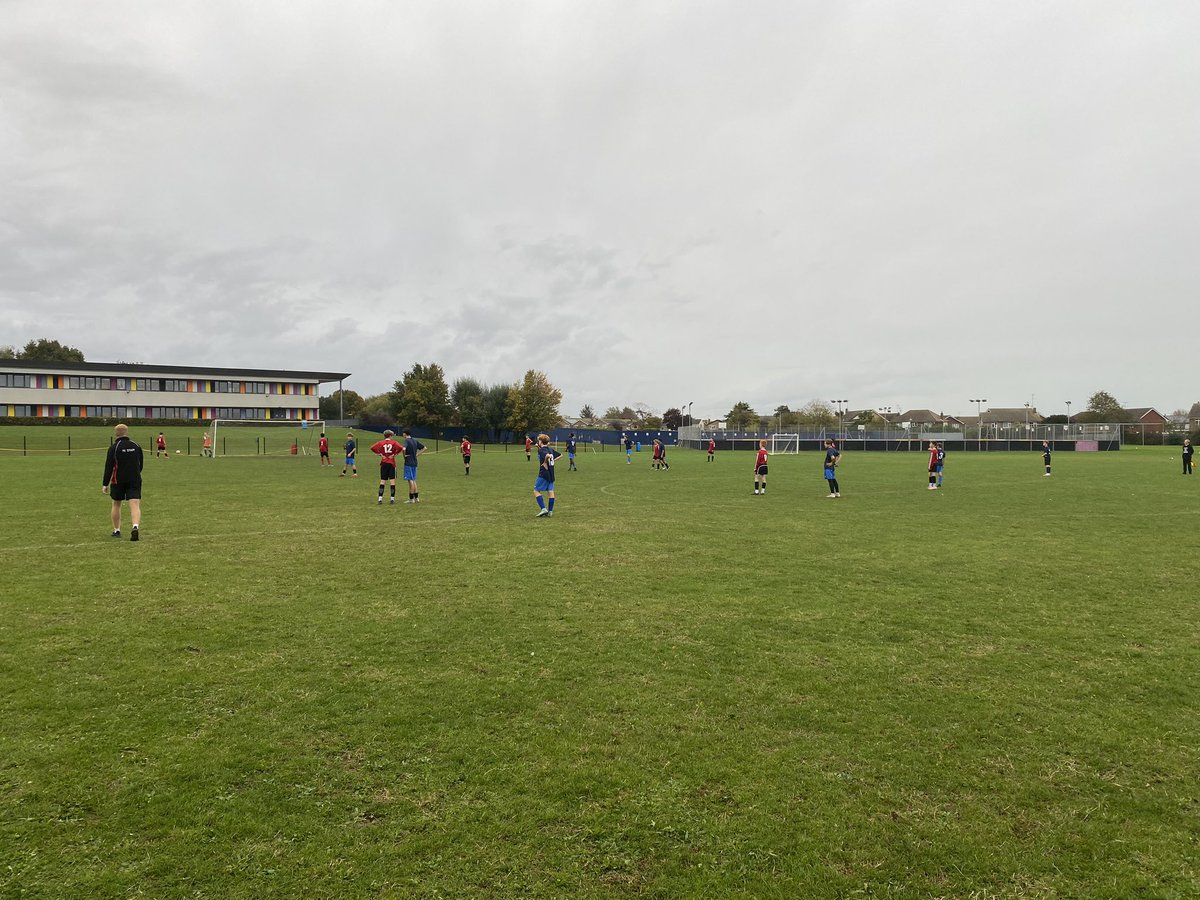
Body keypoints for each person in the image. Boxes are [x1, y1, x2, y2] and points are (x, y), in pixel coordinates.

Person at [102, 423, 144, 541]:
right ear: (127, 432)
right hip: (134, 479)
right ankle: (135, 526)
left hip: (117, 480)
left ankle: (117, 530)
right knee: (135, 504)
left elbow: (109, 467)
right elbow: (140, 464)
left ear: (116, 434)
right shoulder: (136, 446)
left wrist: (105, 483)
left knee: (116, 504)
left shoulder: (114, 447)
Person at [370, 430, 402, 504]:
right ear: (390, 436)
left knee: (382, 481)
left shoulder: (381, 442)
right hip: (391, 463)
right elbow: (400, 447)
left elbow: (372, 448)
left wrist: (380, 454)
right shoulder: (394, 442)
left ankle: (380, 499)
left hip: (384, 463)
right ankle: (392, 499)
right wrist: (394, 454)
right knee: (392, 481)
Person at [534, 433, 561, 517]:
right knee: (551, 492)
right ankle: (550, 511)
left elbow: (547, 455)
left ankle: (543, 509)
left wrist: (546, 462)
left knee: (536, 490)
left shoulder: (543, 450)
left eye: (538, 440)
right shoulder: (549, 449)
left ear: (541, 441)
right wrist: (552, 462)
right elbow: (560, 455)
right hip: (551, 473)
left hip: (544, 473)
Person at [402, 428, 426, 502]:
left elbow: (403, 449)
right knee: (414, 480)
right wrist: (417, 455)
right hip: (415, 462)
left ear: (405, 434)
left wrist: (404, 456)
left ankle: (411, 498)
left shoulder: (407, 441)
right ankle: (416, 498)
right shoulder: (414, 440)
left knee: (410, 480)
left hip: (408, 462)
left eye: (403, 433)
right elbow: (424, 448)